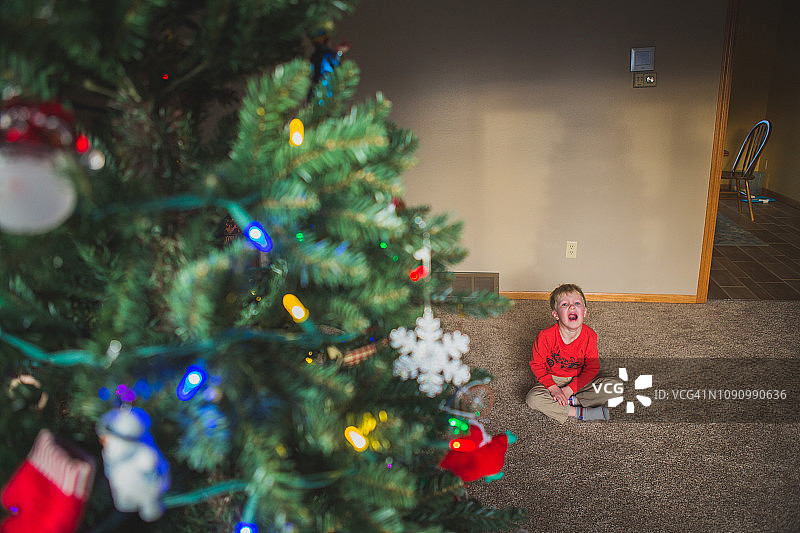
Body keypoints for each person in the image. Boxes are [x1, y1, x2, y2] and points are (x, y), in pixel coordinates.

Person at [526, 283, 622, 423]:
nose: (572, 306)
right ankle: (579, 411)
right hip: (553, 380)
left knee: (616, 386)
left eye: (577, 303)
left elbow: (592, 368)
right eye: (565, 304)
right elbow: (537, 365)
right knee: (532, 399)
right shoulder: (545, 336)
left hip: (580, 380)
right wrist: (554, 389)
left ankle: (571, 400)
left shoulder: (590, 336)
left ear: (584, 312)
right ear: (556, 314)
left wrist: (570, 390)